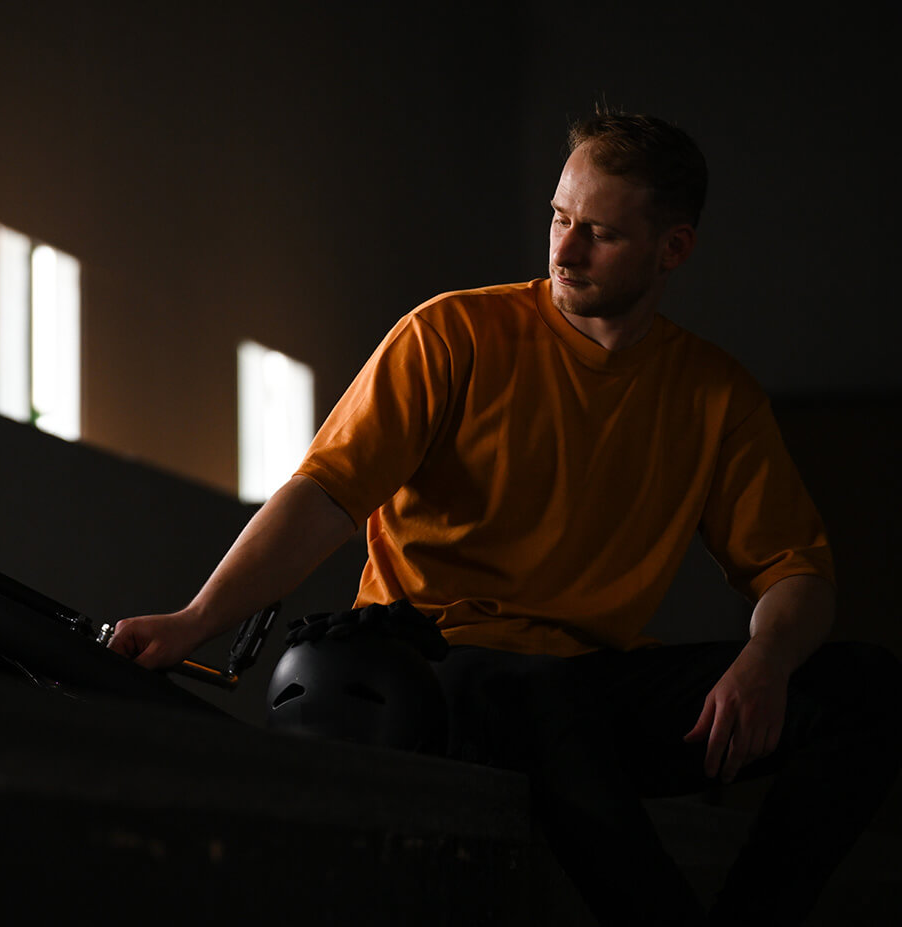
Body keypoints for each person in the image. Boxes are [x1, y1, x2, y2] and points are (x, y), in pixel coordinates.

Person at [108, 106, 902, 926]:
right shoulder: (452, 333)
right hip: (446, 669)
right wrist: (195, 619)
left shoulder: (715, 393)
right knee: (538, 697)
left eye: (599, 232)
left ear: (674, 249)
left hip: (589, 696)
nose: (564, 249)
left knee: (867, 688)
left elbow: (797, 571)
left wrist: (765, 659)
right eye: (559, 218)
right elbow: (326, 494)